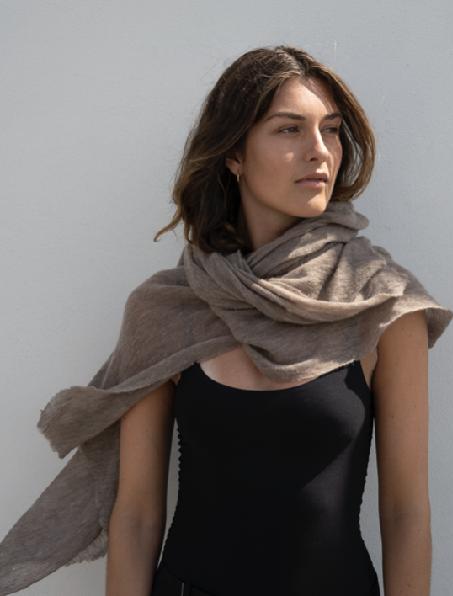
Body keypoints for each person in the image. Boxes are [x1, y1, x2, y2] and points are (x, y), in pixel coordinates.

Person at [105, 45, 434, 596]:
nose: (320, 151)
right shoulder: (168, 308)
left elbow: (406, 514)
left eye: (331, 130)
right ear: (234, 153)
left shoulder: (382, 303)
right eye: (289, 130)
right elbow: (136, 515)